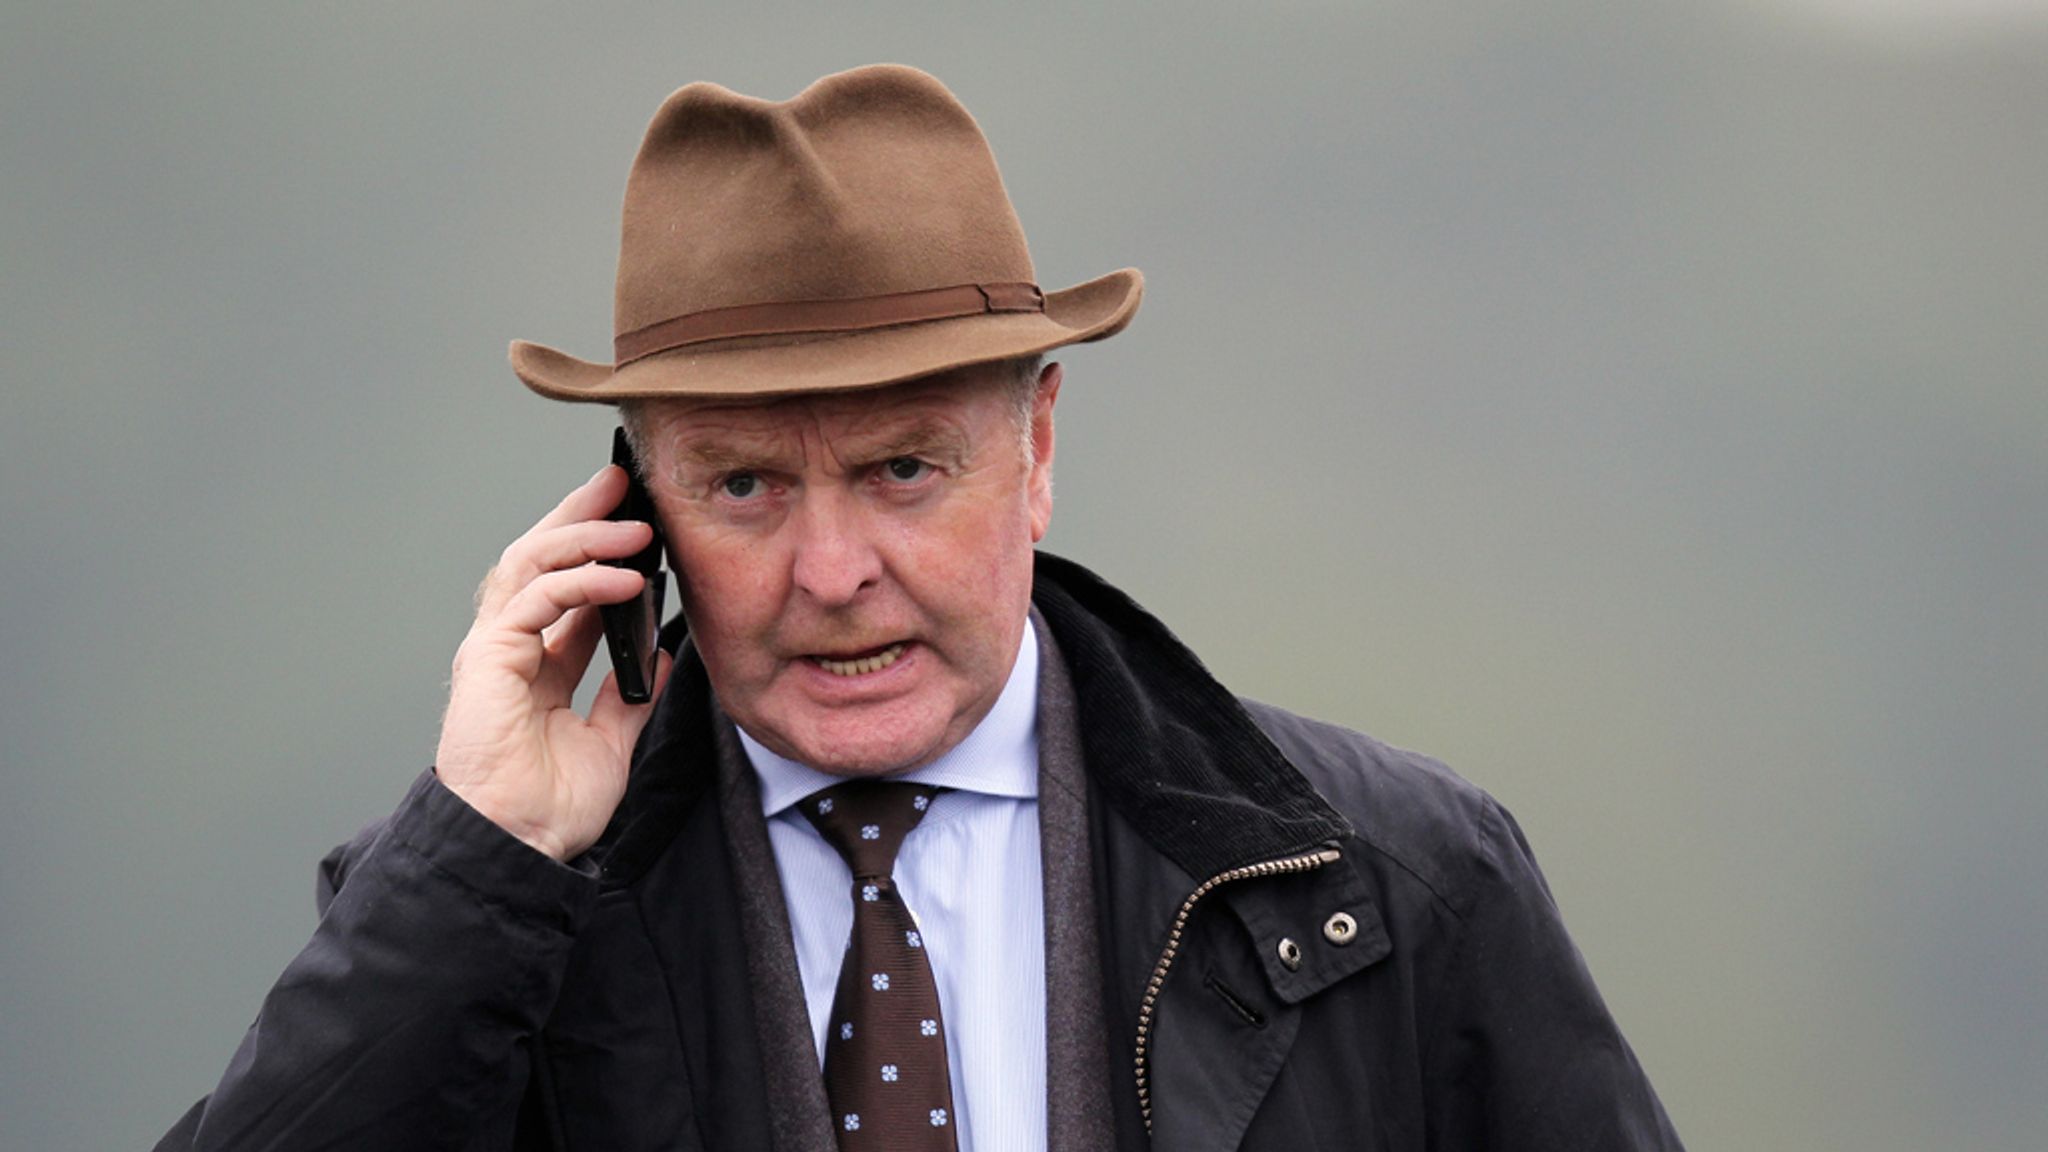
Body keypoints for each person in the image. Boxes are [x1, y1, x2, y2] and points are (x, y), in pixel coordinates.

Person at [157, 64, 1683, 1151]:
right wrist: (482, 859)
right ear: (634, 517)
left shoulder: (1401, 883)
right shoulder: (475, 914)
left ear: (1038, 451)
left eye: (902, 470)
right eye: (744, 486)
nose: (833, 574)